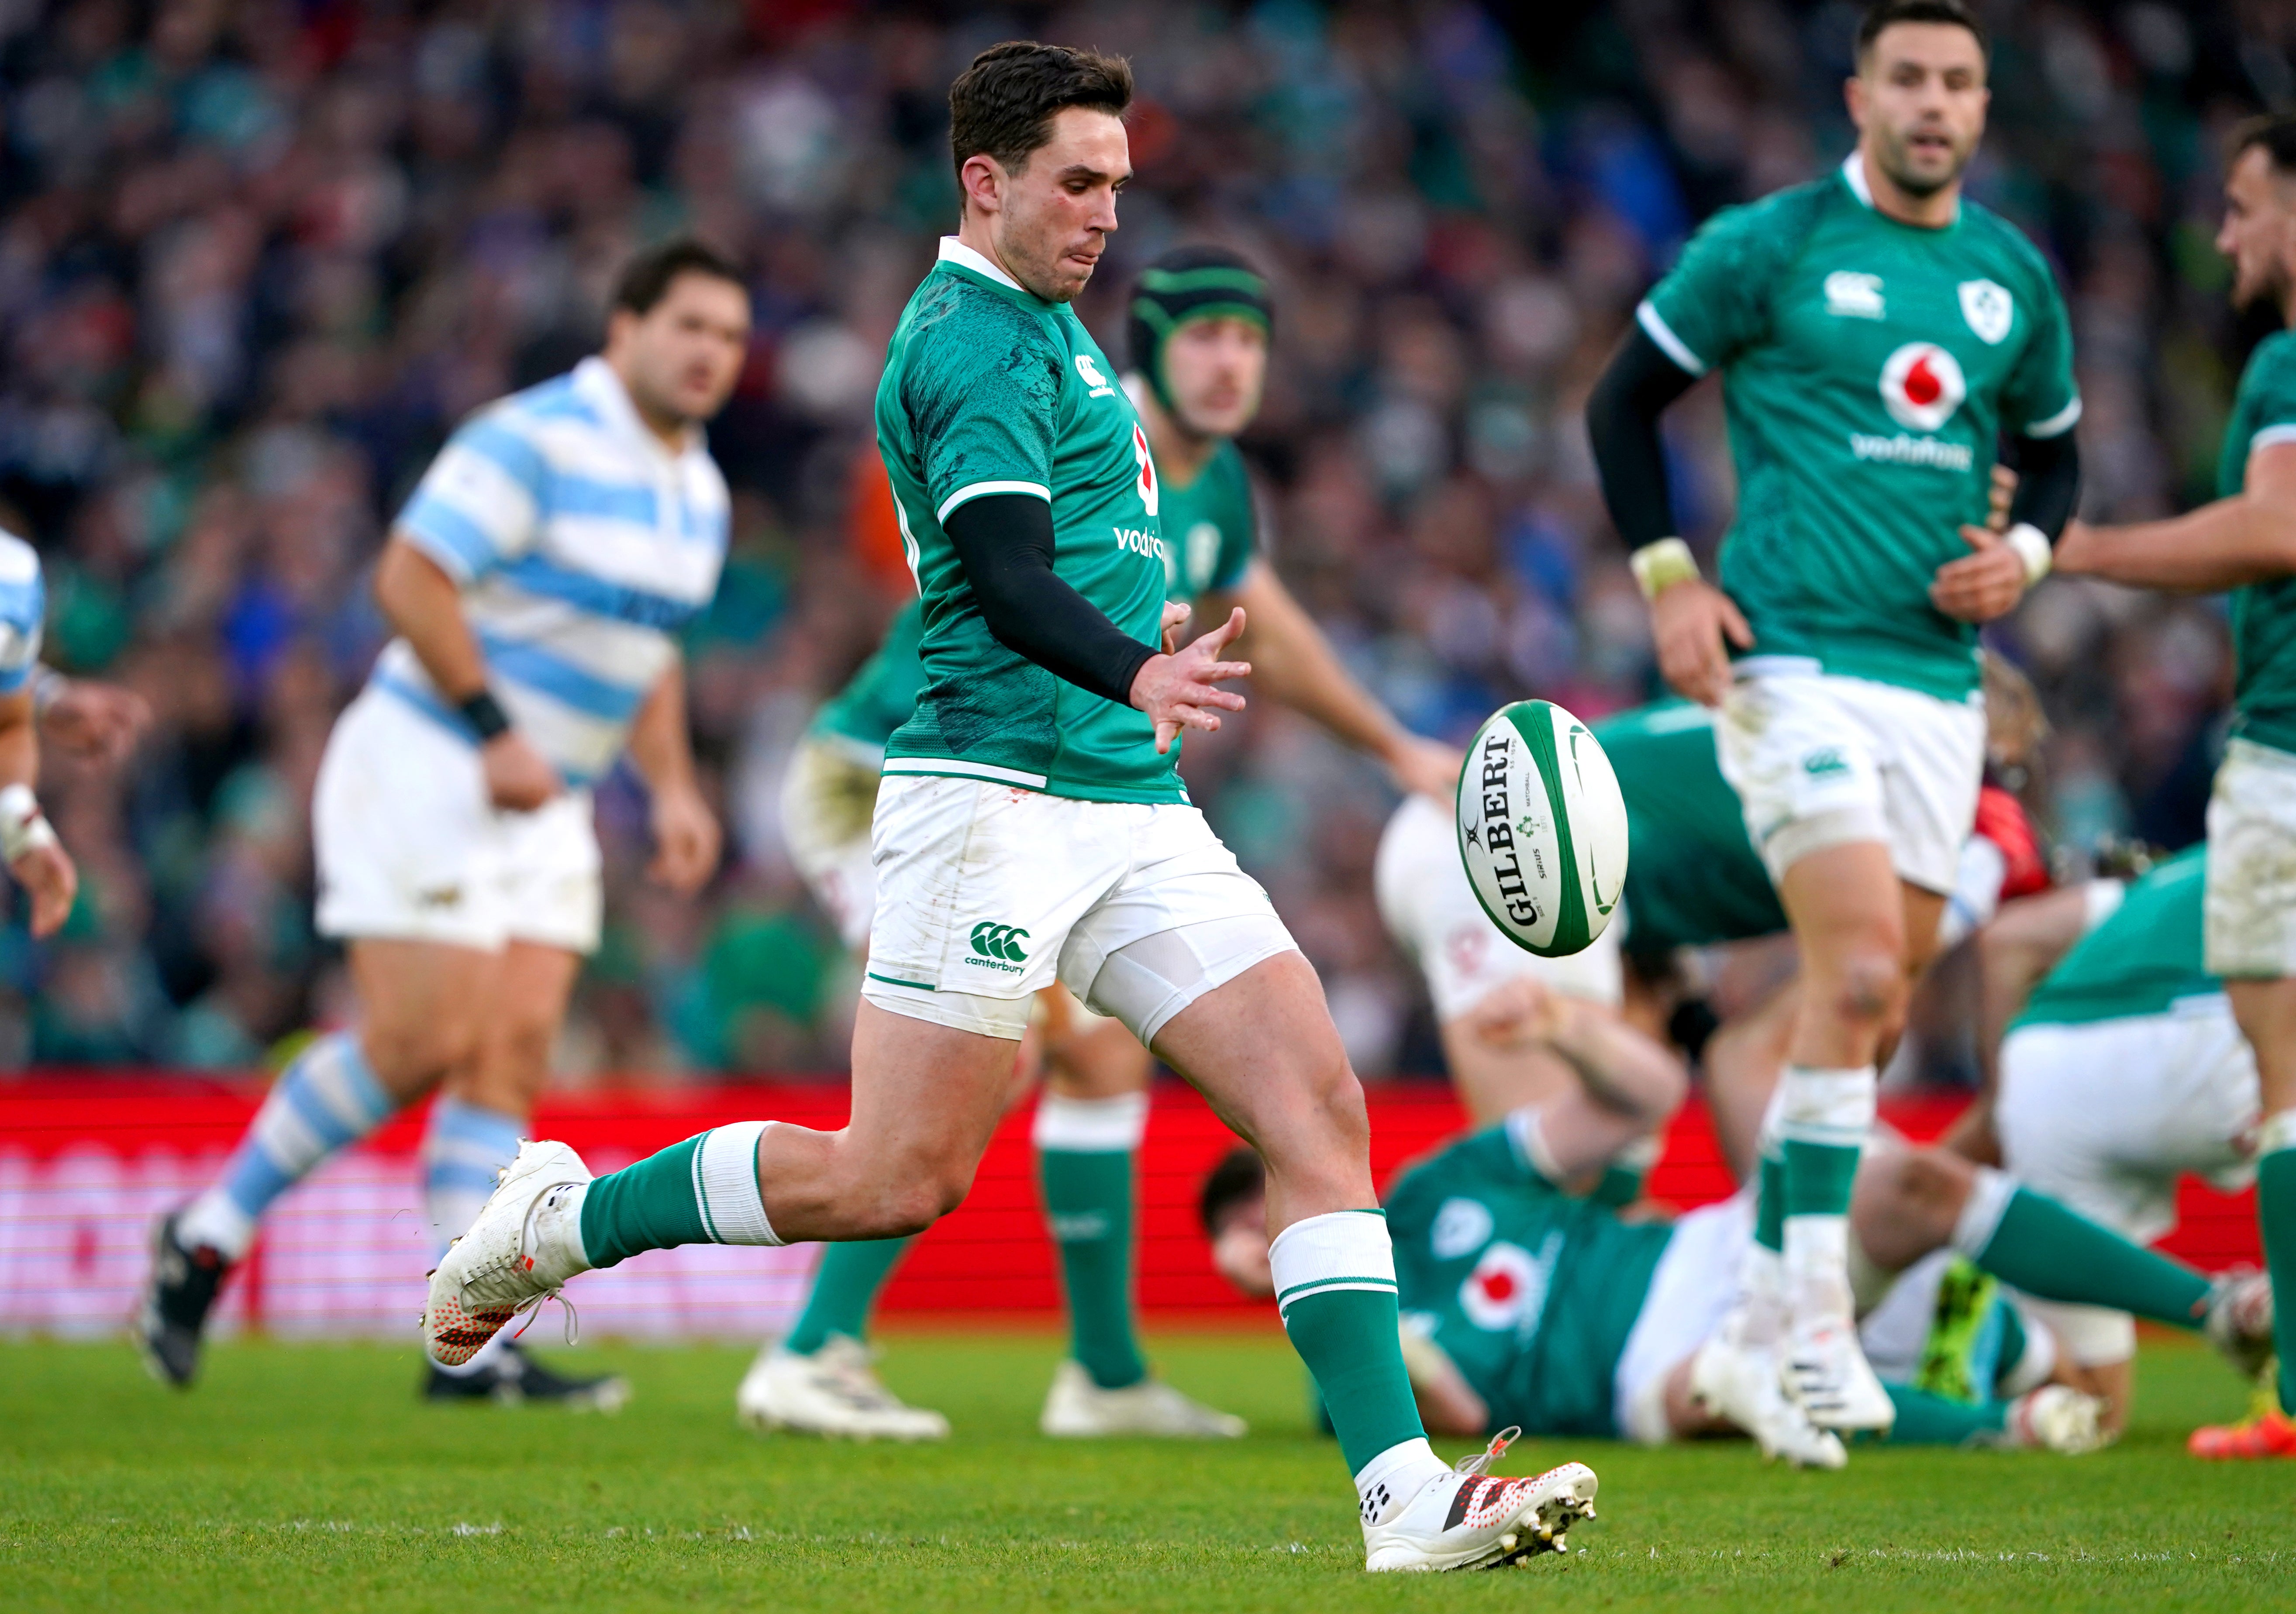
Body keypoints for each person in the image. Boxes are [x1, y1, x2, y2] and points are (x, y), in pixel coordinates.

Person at [422, 43, 1597, 1574]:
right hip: (985, 794)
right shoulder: (968, 340)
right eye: (1076, 181)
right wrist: (1135, 668)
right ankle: (561, 1220)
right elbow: (997, 570)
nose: (1107, 211)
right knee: (893, 1175)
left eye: (1117, 181)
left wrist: (1153, 682)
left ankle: (1399, 1492)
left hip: (1126, 800)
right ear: (984, 183)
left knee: (1312, 1104)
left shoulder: (1051, 329)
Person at [749, 242, 1460, 1442]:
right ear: (1150, 350)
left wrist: (1395, 747)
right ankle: (812, 1349)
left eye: (1250, 341)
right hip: (882, 779)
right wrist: (1127, 650)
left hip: (1054, 799)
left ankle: (1103, 1373)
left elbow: (1271, 634)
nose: (1231, 363)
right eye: (1205, 338)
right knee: (999, 1055)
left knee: (1100, 1058)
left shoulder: (1218, 483)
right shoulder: (1068, 417)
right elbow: (1003, 586)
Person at [137, 238, 750, 1408]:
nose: (711, 354)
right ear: (623, 331)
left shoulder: (700, 492)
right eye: (690, 327)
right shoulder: (534, 438)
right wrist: (493, 728)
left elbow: (646, 650)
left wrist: (672, 785)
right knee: (424, 1033)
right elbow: (410, 576)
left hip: (548, 795)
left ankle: (459, 1335)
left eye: (729, 337)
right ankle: (206, 1236)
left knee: (512, 1048)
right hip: (430, 758)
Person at [1584, 0, 2082, 1432]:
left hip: (1936, 689)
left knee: (1860, 1015)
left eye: (1957, 83)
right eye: (1905, 77)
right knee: (1858, 971)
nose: (1930, 103)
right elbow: (1621, 407)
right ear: (1857, 91)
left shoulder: (2009, 281)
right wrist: (1671, 580)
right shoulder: (1767, 243)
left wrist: (2029, 557)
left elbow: (2048, 465)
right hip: (1789, 663)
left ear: (1981, 109)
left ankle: (1750, 1323)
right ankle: (1809, 1323)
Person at [2050, 111, 2296, 1458]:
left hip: (2289, 746)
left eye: (2247, 206)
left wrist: (2079, 545)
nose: (2225, 235)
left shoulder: (2281, 361)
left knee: (2287, 1080)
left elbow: (2276, 527)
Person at [1982, 847, 2277, 1441]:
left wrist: (2003, 1106)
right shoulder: (2266, 834)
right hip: (2210, 1041)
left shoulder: (2170, 879)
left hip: (2043, 1072)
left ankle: (2249, 1309)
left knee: (2086, 1412)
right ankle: (2275, 1310)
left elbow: (2006, 941)